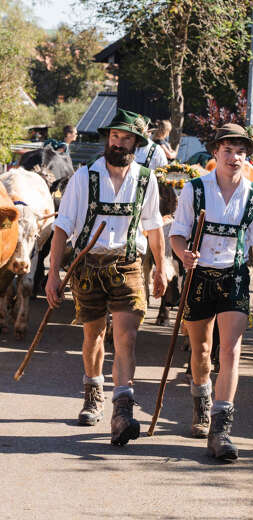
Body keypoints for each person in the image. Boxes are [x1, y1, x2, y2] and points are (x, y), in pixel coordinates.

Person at [46, 108, 167, 446]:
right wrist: (53, 273)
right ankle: (93, 390)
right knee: (94, 336)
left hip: (127, 264)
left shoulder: (146, 179)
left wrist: (162, 266)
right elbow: (61, 228)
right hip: (88, 266)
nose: (117, 142)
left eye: (125, 137)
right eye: (114, 136)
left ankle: (123, 409)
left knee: (126, 336)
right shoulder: (84, 177)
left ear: (136, 143)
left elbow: (154, 227)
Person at [169, 123, 253, 461]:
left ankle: (221, 429)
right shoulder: (194, 189)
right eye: (228, 150)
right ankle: (202, 399)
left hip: (235, 277)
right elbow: (178, 233)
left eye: (241, 151)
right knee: (201, 352)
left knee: (230, 351)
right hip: (199, 277)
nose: (235, 157)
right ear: (215, 152)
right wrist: (184, 254)